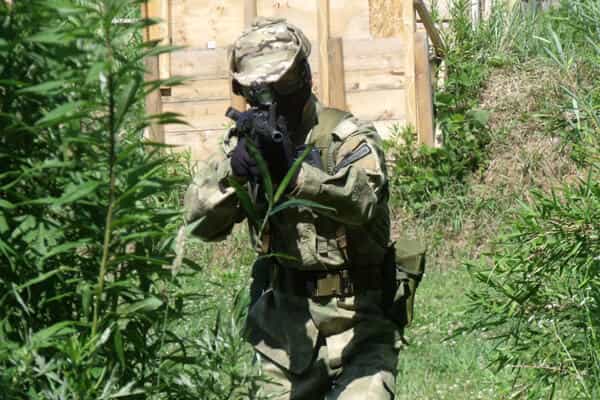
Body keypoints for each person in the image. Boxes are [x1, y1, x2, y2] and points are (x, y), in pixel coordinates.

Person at [184, 17, 401, 400]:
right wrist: (234, 174)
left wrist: (296, 175)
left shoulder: (346, 138)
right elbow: (199, 225)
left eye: (283, 83)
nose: (272, 99)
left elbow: (364, 200)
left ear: (305, 76)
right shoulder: (244, 145)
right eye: (259, 89)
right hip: (282, 337)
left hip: (360, 328)